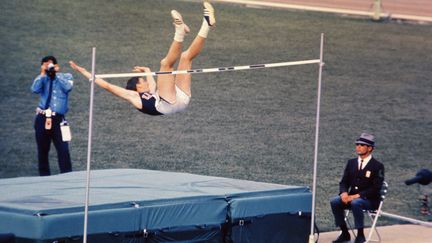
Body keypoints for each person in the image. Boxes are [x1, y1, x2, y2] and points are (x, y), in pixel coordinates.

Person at [69, 1, 216, 116]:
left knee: (186, 57)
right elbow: (108, 86)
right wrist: (84, 72)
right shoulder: (134, 97)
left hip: (180, 100)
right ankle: (179, 32)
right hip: (169, 103)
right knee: (165, 64)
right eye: (142, 81)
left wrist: (147, 70)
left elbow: (152, 81)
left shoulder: (151, 91)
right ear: (138, 87)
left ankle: (206, 24)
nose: (145, 81)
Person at [330, 133, 385, 243]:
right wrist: (344, 193)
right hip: (351, 197)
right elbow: (344, 181)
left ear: (370, 148)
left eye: (362, 145)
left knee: (356, 203)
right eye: (357, 144)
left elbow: (375, 188)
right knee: (334, 202)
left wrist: (355, 196)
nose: (358, 147)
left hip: (370, 200)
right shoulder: (351, 163)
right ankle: (345, 233)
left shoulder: (377, 166)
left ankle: (360, 235)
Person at [31, 56, 73, 176]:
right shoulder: (42, 78)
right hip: (42, 118)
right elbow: (34, 89)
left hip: (59, 119)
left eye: (50, 65)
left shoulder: (66, 76)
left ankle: (67, 176)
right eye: (46, 65)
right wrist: (43, 73)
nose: (49, 67)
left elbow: (68, 87)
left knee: (63, 150)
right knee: (43, 150)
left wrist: (56, 74)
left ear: (56, 65)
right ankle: (44, 177)